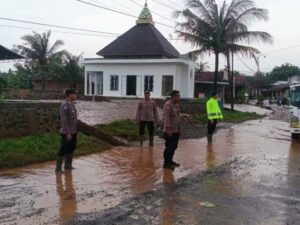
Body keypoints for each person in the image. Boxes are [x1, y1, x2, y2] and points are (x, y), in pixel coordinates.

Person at [55, 89, 78, 173]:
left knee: (72, 147)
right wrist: (68, 132)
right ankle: (58, 169)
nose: (76, 96)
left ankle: (68, 166)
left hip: (74, 131)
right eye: (74, 94)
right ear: (69, 95)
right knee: (63, 149)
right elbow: (64, 120)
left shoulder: (72, 104)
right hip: (67, 132)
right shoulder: (64, 105)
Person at [163, 90, 181, 170]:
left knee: (174, 147)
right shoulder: (168, 105)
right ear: (174, 96)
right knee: (169, 148)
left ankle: (170, 161)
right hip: (170, 131)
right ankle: (166, 164)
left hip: (176, 130)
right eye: (178, 96)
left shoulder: (175, 105)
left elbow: (176, 116)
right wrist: (168, 129)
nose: (179, 98)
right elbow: (166, 118)